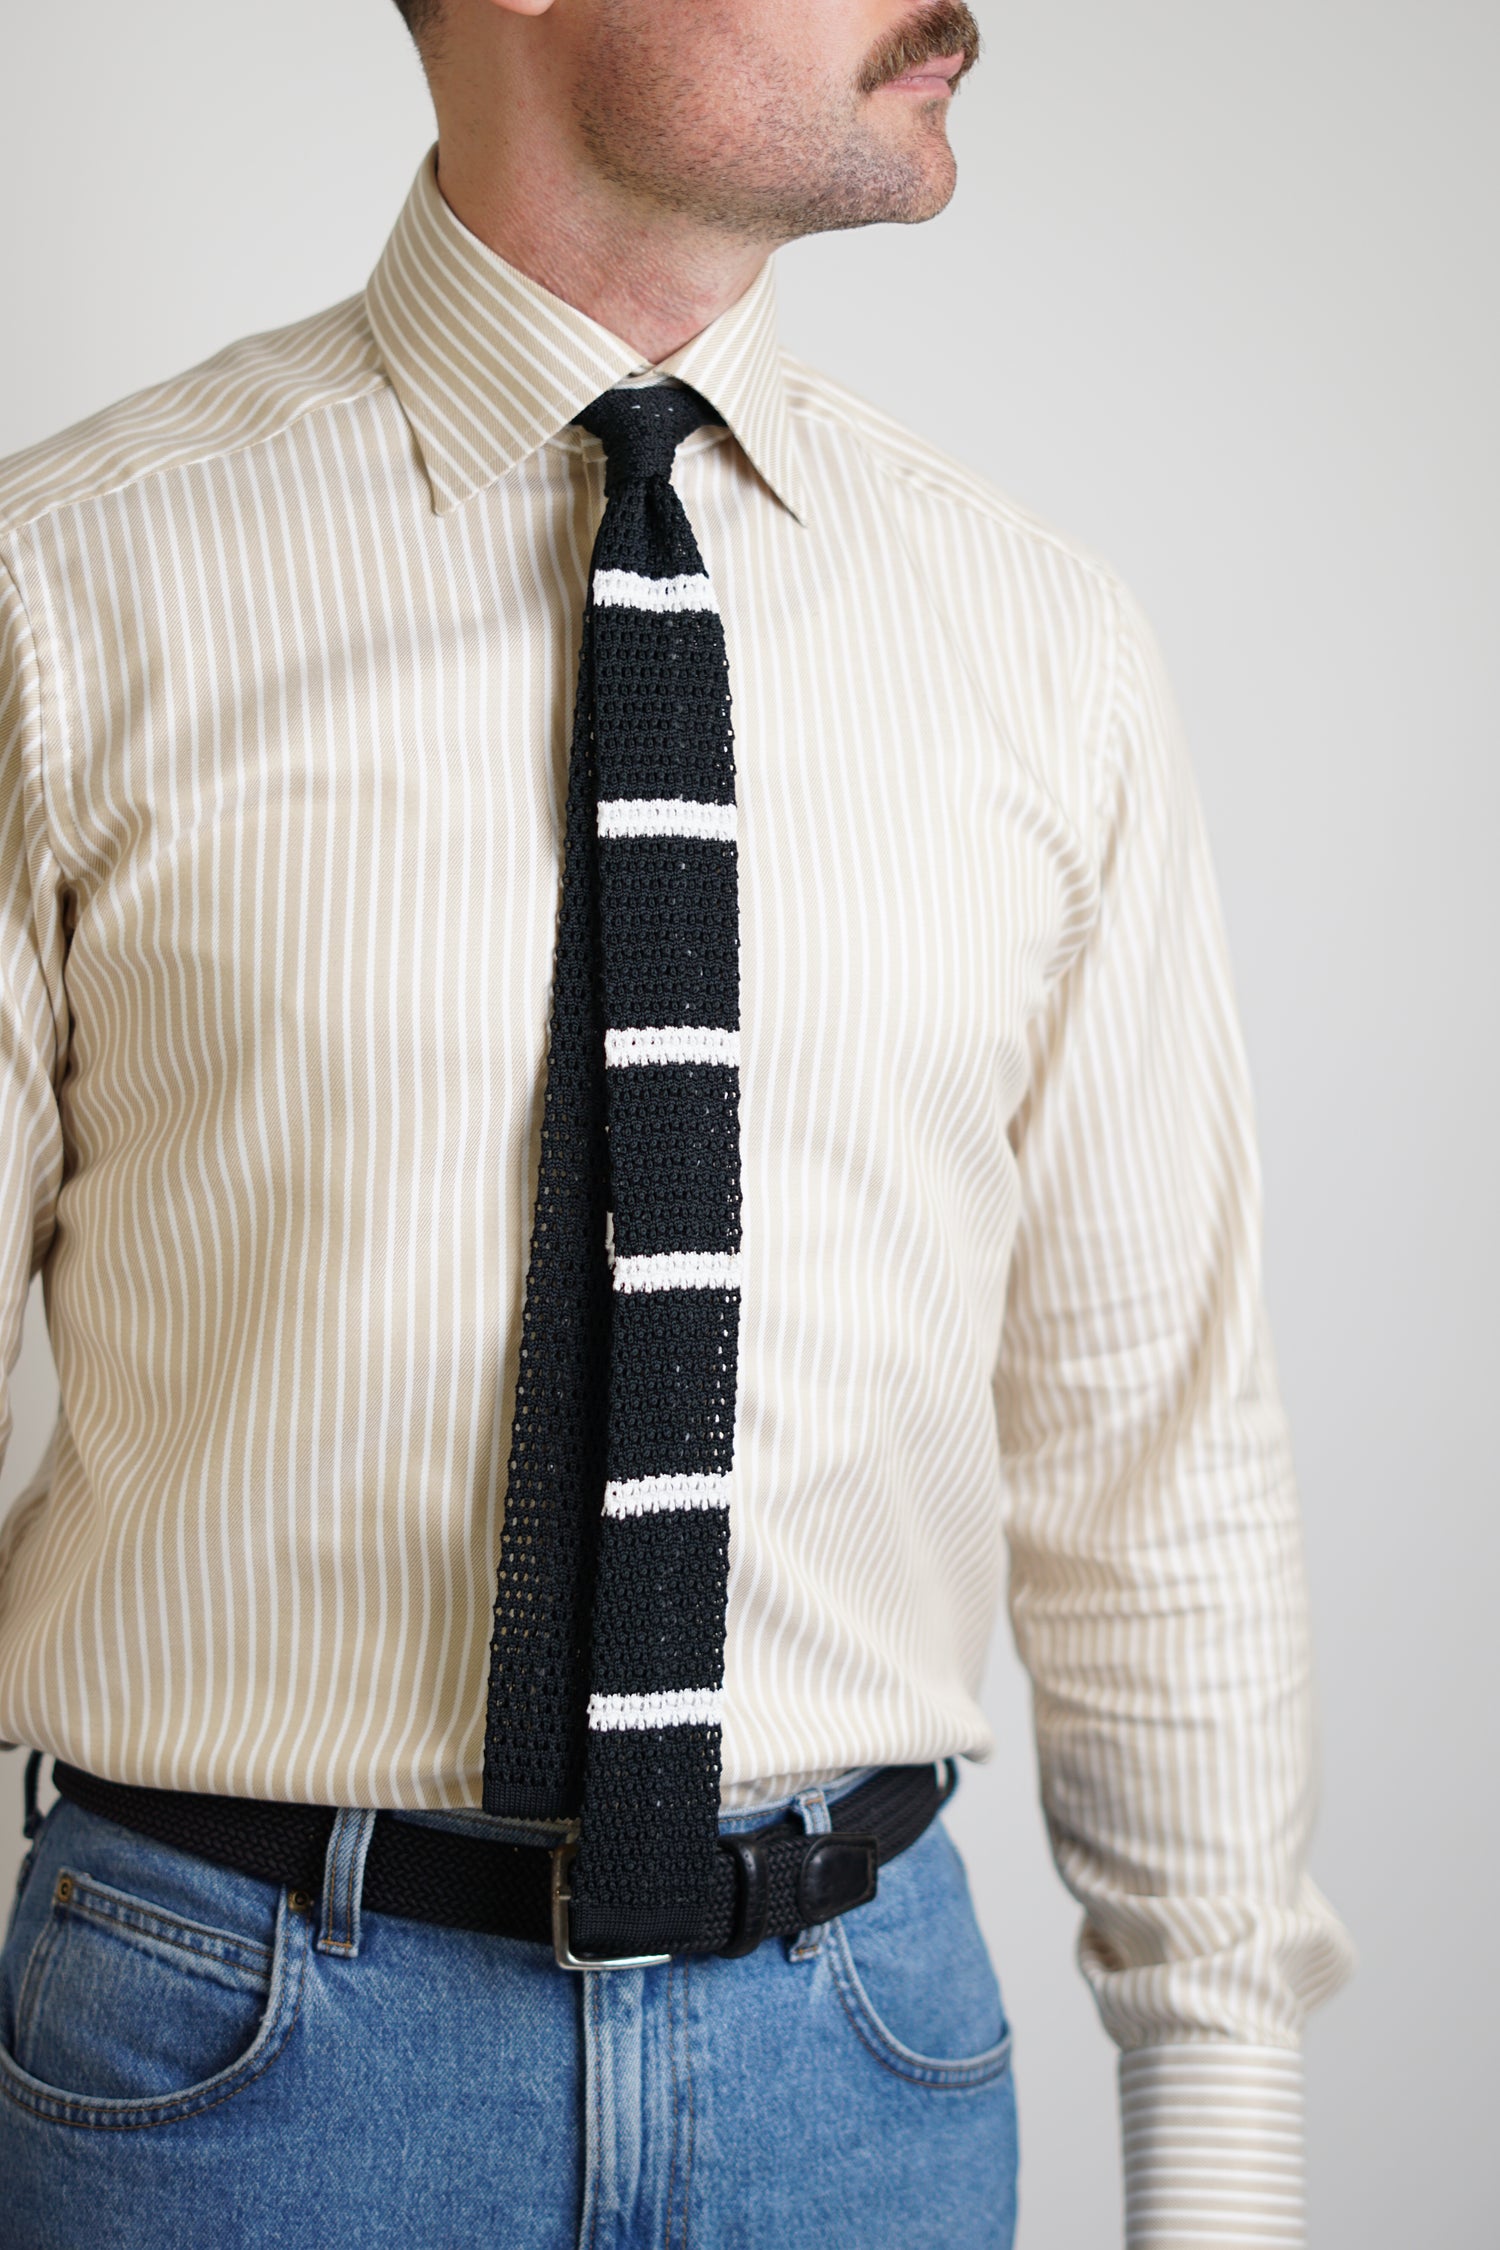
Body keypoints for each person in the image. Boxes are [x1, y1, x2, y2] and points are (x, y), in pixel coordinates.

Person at [0, 1, 1355, 2243]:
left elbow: (1158, 1448)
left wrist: (1219, 2155)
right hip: (235, 2083)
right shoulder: (68, 601)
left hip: (868, 2070)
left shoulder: (1040, 650)